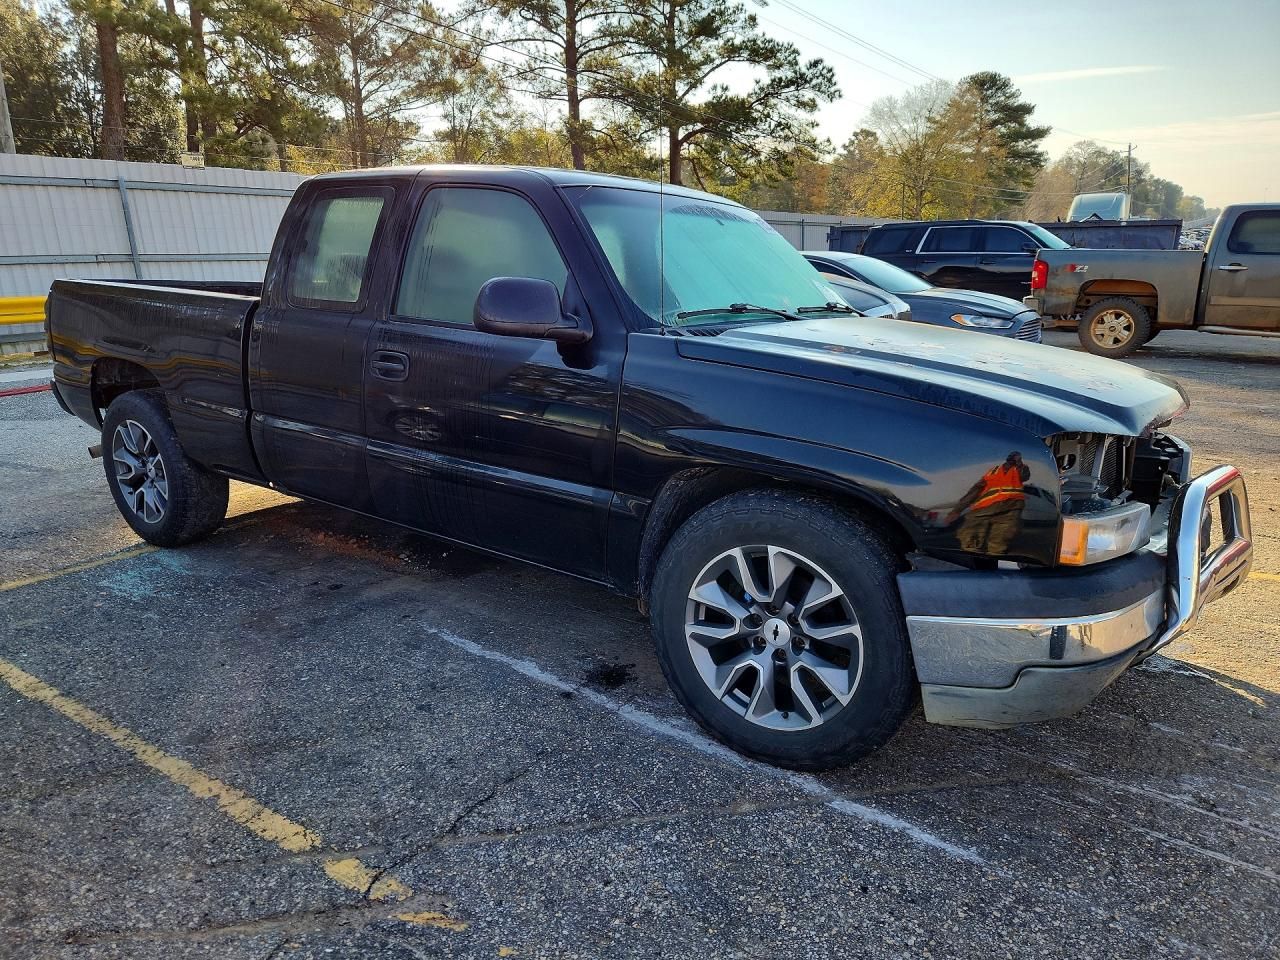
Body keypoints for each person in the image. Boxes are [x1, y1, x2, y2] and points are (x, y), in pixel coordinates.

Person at [947, 452, 1031, 555]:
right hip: (983, 509)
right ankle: (974, 562)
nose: (1012, 459)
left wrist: (1019, 463)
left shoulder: (1019, 469)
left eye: (1016, 457)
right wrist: (957, 510)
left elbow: (1024, 476)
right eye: (1012, 457)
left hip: (1009, 509)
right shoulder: (993, 471)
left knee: (998, 545)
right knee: (971, 540)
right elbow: (975, 490)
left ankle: (993, 564)